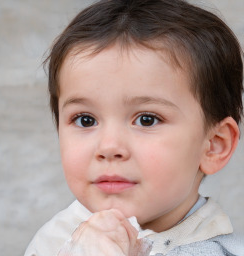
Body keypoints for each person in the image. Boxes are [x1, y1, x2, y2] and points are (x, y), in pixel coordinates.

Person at [24, 0, 244, 255]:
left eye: (147, 119)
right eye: (86, 120)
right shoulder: (54, 241)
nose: (108, 147)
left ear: (214, 146)